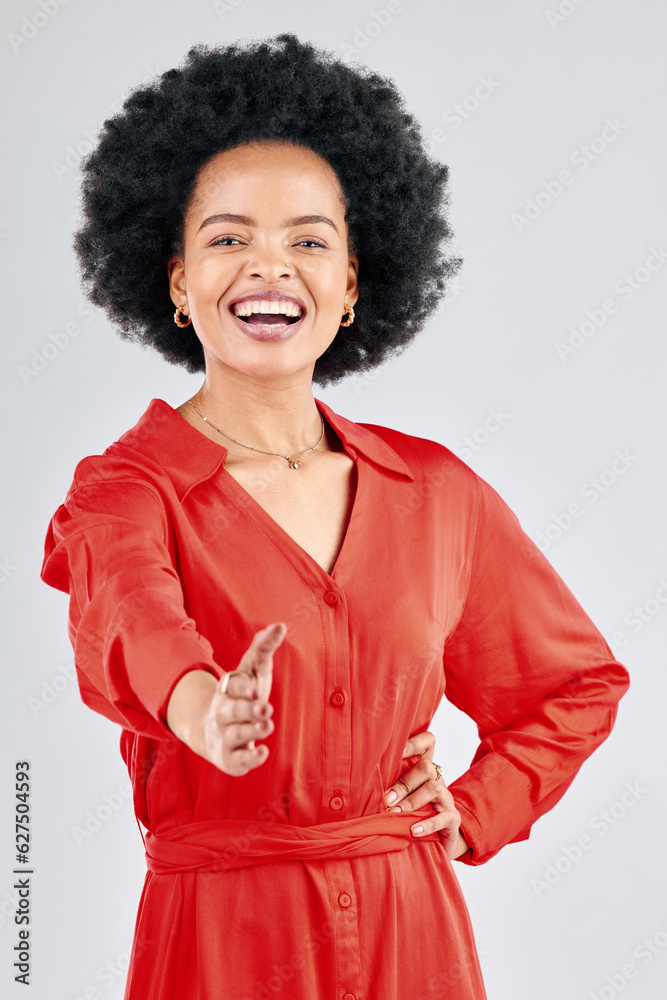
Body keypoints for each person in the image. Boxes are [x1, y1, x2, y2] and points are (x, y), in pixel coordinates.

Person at [40, 34, 630, 1000]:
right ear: (178, 281)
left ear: (352, 285)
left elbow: (572, 685)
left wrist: (474, 808)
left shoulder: (435, 493)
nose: (268, 267)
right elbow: (131, 619)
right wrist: (200, 706)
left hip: (410, 925)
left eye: (308, 240)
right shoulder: (127, 491)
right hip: (224, 937)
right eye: (227, 238)